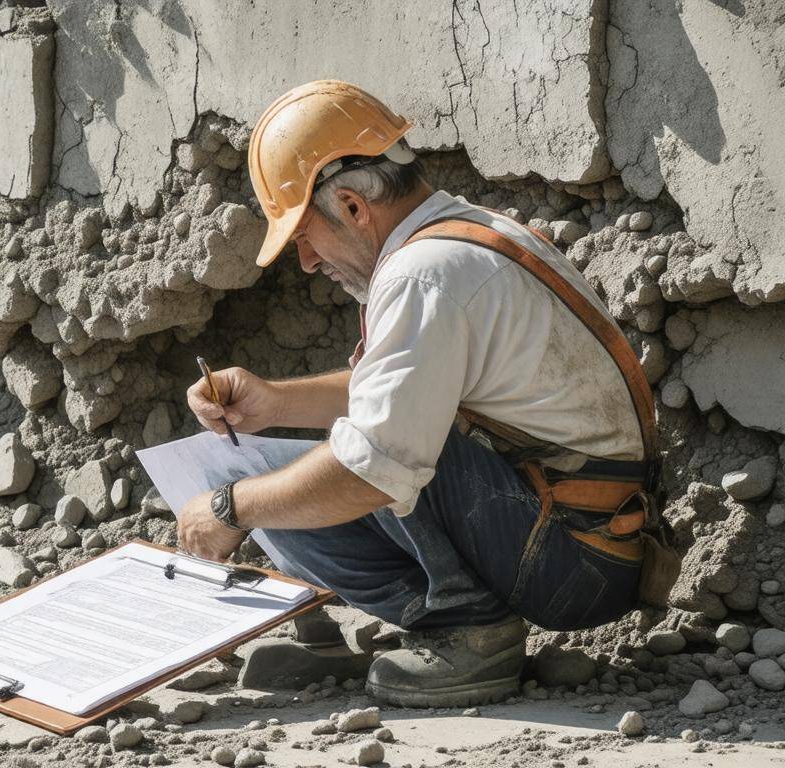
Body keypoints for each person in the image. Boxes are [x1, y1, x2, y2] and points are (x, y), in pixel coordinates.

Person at [177, 80, 662, 707]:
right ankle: (440, 624)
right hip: (587, 545)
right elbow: (403, 388)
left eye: (304, 237)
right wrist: (275, 402)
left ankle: (470, 631)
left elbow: (374, 463)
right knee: (296, 474)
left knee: (352, 464)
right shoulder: (459, 237)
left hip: (574, 562)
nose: (308, 261)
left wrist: (228, 509)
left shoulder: (422, 275)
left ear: (352, 206)